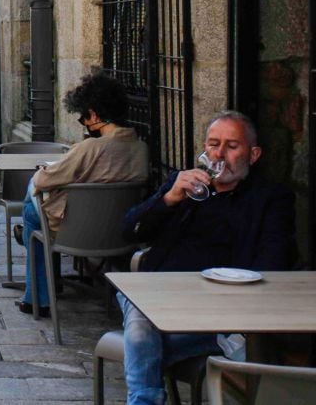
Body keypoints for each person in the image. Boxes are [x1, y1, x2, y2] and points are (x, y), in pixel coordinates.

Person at [117, 111, 294, 405]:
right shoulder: (182, 185)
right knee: (140, 322)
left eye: (231, 146)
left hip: (218, 308)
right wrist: (168, 199)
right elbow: (129, 231)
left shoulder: (270, 198)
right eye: (213, 144)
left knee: (140, 338)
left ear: (253, 154)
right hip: (159, 296)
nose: (219, 154)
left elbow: (275, 261)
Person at [16, 72, 149, 316]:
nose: (85, 124)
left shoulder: (90, 148)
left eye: (83, 118)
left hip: (74, 230)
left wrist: (45, 172)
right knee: (35, 210)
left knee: (31, 203)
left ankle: (38, 297)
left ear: (94, 115)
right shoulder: (140, 149)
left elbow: (44, 180)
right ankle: (44, 272)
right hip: (119, 232)